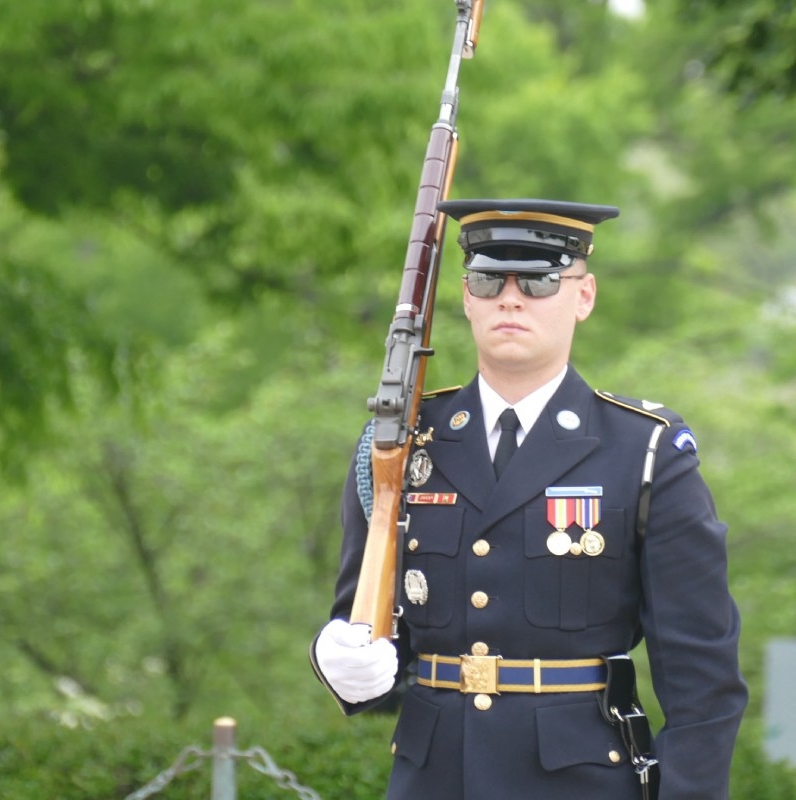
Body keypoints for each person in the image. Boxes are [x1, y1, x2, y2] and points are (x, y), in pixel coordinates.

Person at [310, 199, 747, 799]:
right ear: (466, 298)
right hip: (431, 781)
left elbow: (703, 678)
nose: (510, 299)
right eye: (489, 279)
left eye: (539, 281)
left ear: (584, 296)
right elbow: (370, 634)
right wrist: (341, 660)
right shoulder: (404, 445)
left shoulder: (645, 450)